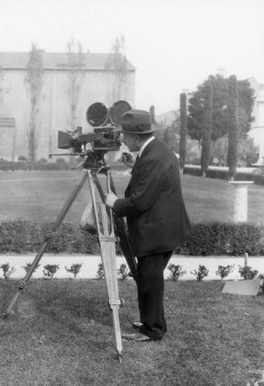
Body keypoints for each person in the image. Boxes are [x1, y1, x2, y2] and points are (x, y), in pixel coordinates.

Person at [104, 109, 191, 341]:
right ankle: (151, 322)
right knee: (148, 277)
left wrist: (115, 203)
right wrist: (135, 165)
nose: (122, 139)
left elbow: (140, 201)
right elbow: (152, 180)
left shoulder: (152, 158)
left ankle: (152, 330)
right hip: (163, 229)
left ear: (135, 137)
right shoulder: (154, 151)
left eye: (124, 135)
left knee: (149, 279)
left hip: (158, 233)